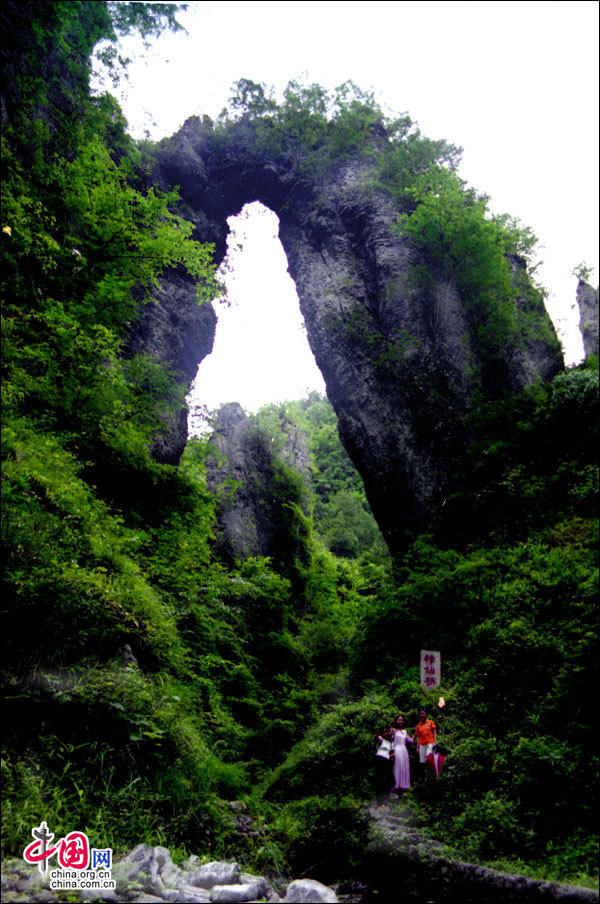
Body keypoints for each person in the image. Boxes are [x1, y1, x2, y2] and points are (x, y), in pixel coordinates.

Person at [391, 714, 414, 795]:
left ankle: (403, 786)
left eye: (401, 720)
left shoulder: (404, 732)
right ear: (396, 721)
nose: (400, 721)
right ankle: (396, 786)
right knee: (397, 767)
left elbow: (410, 741)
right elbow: (391, 740)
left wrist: (416, 734)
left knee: (404, 767)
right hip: (397, 749)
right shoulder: (394, 730)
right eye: (399, 720)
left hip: (404, 750)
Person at [373, 726, 394, 807]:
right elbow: (377, 739)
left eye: (387, 732)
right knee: (379, 781)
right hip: (379, 761)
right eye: (384, 732)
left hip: (386, 762)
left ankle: (385, 800)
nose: (385, 733)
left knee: (391, 780)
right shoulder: (380, 739)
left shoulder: (390, 741)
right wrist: (378, 737)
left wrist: (392, 754)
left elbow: (391, 751)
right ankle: (379, 803)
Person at [413, 708, 437, 773]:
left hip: (430, 743)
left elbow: (434, 732)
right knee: (423, 761)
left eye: (423, 713)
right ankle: (426, 775)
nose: (422, 715)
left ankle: (431, 772)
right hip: (422, 744)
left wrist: (435, 742)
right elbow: (418, 737)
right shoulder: (418, 726)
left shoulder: (430, 722)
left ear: (426, 715)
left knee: (429, 758)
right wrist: (417, 747)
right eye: (421, 714)